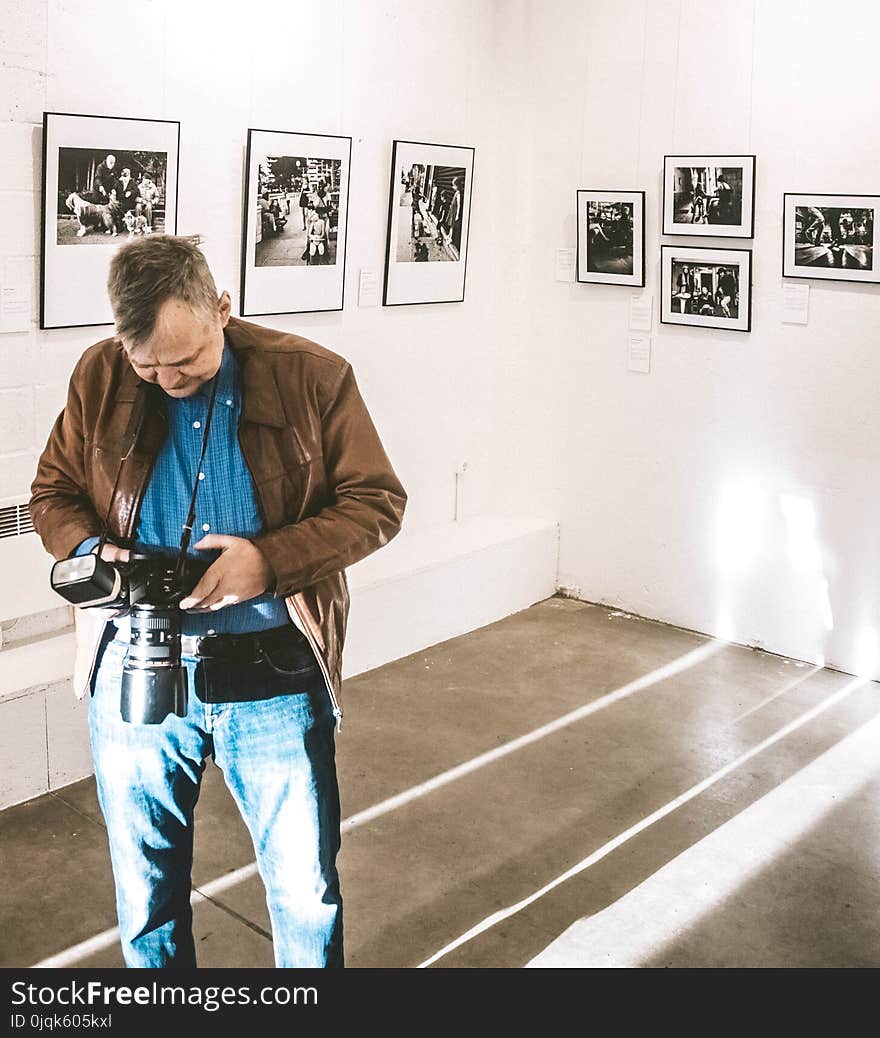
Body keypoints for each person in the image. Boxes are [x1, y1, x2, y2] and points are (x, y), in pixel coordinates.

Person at [29, 235, 406, 968]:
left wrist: (269, 563)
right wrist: (88, 553)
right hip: (132, 666)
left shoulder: (313, 377)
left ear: (222, 310)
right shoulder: (101, 375)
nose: (166, 379)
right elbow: (53, 494)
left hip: (270, 670)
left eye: (185, 360)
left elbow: (377, 502)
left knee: (304, 893)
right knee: (145, 898)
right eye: (148, 363)